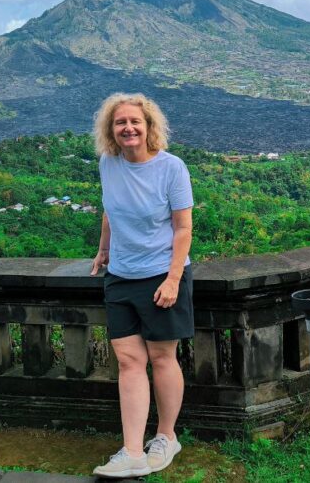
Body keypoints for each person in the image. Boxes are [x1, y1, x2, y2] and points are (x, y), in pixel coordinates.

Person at [89, 92, 194, 479]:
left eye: (135, 121)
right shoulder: (108, 163)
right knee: (130, 361)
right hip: (121, 276)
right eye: (120, 123)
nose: (128, 128)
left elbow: (183, 227)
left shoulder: (171, 168)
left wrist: (172, 279)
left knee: (163, 357)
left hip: (160, 276)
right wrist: (103, 250)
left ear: (149, 127)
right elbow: (109, 208)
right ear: (110, 130)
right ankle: (132, 450)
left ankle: (166, 437)